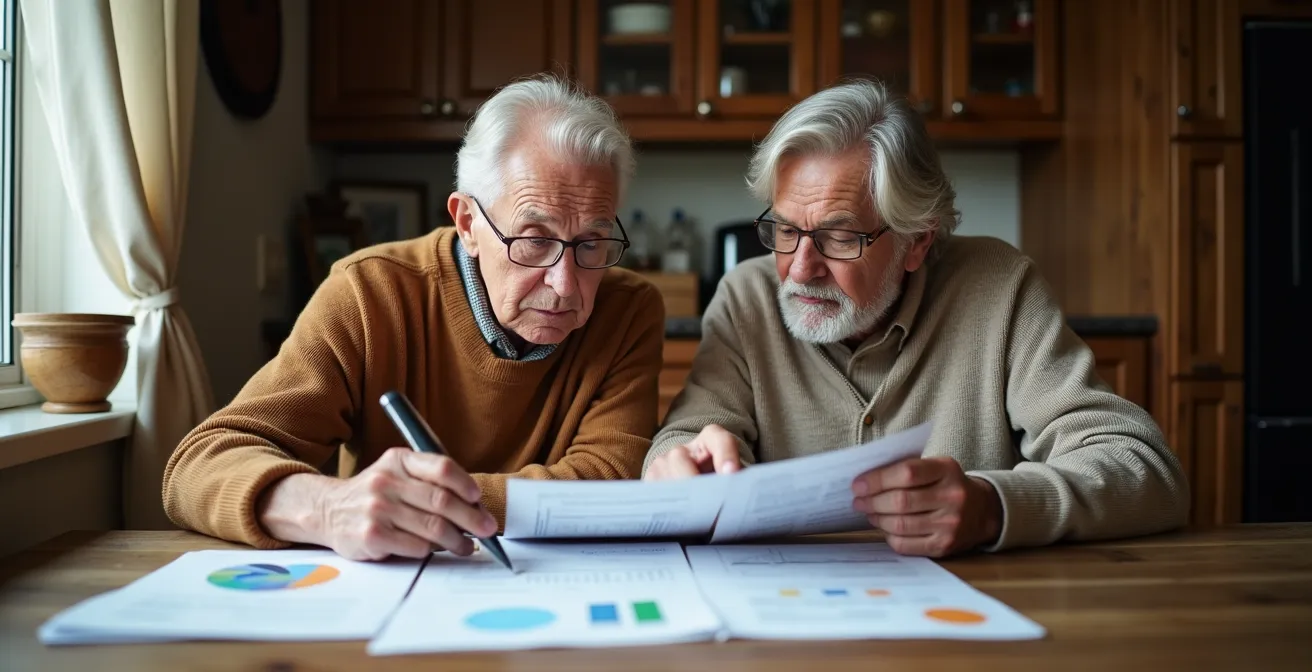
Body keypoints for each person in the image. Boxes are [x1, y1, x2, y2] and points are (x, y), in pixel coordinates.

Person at [643, 80, 1189, 557]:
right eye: (786, 230)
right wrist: (680, 463)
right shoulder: (747, 297)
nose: (800, 269)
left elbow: (1144, 469)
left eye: (840, 237)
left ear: (917, 241)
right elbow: (684, 437)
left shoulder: (998, 287)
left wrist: (993, 506)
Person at [164, 76, 665, 561]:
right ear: (467, 223)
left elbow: (609, 483)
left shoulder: (628, 310)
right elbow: (199, 466)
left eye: (592, 243)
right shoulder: (369, 293)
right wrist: (329, 507)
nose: (566, 284)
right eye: (535, 240)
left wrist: (426, 506)